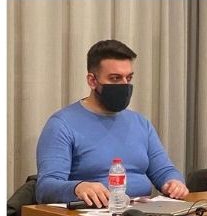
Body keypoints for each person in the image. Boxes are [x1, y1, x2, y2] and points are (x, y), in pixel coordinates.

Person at [36, 39, 189, 207]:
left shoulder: (140, 123)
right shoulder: (62, 124)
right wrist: (77, 187)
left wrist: (174, 183)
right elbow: (45, 188)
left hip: (142, 215)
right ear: (92, 81)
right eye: (115, 78)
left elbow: (165, 171)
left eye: (128, 78)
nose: (124, 85)